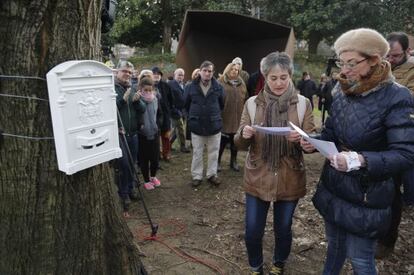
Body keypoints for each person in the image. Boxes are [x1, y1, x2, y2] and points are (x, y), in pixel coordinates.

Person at [303, 28, 414, 275]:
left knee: (361, 260)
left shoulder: (397, 97)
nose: (344, 70)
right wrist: (314, 141)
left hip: (368, 196)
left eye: (352, 63)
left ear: (375, 59)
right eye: (341, 62)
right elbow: (331, 132)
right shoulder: (342, 89)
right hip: (335, 187)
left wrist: (360, 159)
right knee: (334, 248)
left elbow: (406, 154)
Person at [234, 52, 315, 275]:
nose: (278, 83)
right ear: (265, 77)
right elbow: (239, 143)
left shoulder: (302, 104)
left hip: (290, 177)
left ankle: (279, 264)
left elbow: (312, 140)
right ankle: (255, 266)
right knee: (252, 231)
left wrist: (304, 142)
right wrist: (245, 133)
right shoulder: (252, 103)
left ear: (290, 76)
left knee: (283, 229)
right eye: (273, 78)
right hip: (258, 175)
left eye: (283, 77)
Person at [375, 31, 414, 258]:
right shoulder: (378, 67)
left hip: (401, 139)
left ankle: (388, 240)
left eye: (396, 56)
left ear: (407, 52)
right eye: (387, 56)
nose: (390, 60)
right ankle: (374, 231)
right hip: (378, 138)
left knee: (394, 193)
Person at [184, 61, 224, 187]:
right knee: (197, 152)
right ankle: (197, 175)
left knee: (214, 151)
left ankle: (212, 174)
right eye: (205, 70)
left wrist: (213, 114)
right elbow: (185, 104)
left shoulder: (218, 87)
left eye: (210, 71)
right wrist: (191, 117)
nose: (207, 73)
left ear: (213, 73)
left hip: (214, 125)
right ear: (200, 71)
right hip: (197, 125)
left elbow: (222, 104)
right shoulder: (190, 87)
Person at [114, 61, 146, 215]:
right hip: (120, 134)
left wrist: (138, 101)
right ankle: (124, 194)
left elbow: (143, 109)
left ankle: (131, 188)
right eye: (124, 71)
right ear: (117, 72)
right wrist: (123, 100)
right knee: (124, 165)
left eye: (129, 72)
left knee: (133, 163)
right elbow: (110, 110)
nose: (127, 74)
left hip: (133, 133)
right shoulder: (112, 89)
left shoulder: (132, 88)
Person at [217, 62, 248, 172]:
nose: (234, 71)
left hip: (237, 117)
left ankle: (233, 161)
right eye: (232, 69)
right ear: (228, 70)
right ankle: (217, 162)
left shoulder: (241, 83)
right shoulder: (220, 82)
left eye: (237, 70)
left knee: (235, 141)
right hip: (224, 117)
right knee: (222, 142)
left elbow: (245, 98)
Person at [137, 76, 163, 190]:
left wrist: (158, 125)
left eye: (150, 90)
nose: (148, 92)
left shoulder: (155, 99)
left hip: (155, 132)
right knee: (144, 159)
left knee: (155, 158)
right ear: (140, 89)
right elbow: (136, 116)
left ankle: (153, 176)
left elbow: (159, 114)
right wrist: (140, 126)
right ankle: (146, 180)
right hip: (142, 135)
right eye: (145, 90)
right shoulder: (137, 100)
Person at [152, 66, 174, 161]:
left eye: (158, 74)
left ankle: (166, 154)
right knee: (155, 137)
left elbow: (171, 99)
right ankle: (157, 154)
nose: (156, 76)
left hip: (165, 115)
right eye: (154, 74)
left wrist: (169, 110)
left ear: (161, 76)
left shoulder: (166, 85)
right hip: (154, 116)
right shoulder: (149, 85)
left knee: (166, 136)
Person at [168, 68, 190, 153]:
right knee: (180, 128)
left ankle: (168, 144)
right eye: (179, 74)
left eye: (182, 75)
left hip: (182, 110)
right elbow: (169, 98)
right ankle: (183, 146)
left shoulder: (183, 84)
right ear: (175, 75)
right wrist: (173, 109)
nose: (181, 76)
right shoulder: (170, 84)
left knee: (176, 129)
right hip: (175, 111)